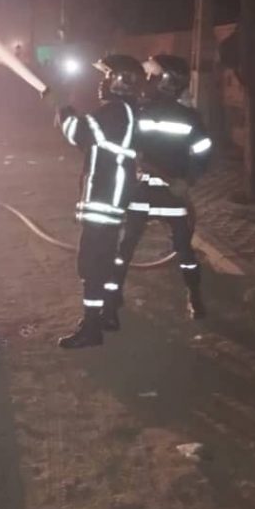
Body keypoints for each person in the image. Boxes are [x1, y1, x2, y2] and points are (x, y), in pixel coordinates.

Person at [101, 54, 212, 329]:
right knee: (169, 248)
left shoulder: (150, 113)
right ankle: (192, 297)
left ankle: (193, 296)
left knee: (134, 246)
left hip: (160, 192)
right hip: (159, 192)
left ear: (168, 82)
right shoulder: (147, 111)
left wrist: (188, 179)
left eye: (152, 76)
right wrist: (189, 179)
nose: (146, 80)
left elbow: (202, 151)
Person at [56, 54, 144, 349]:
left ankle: (91, 328)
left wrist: (61, 106)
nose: (101, 82)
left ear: (122, 81)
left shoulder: (115, 112)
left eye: (106, 76)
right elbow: (90, 141)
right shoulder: (122, 111)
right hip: (110, 198)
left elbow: (78, 132)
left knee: (92, 265)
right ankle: (107, 313)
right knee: (103, 261)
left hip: (105, 199)